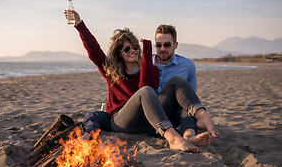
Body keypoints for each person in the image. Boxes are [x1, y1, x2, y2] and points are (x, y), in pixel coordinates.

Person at [66, 9, 216, 152]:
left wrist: (146, 53)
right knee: (144, 92)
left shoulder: (151, 69)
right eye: (126, 49)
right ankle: (173, 138)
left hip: (150, 123)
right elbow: (94, 50)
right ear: (119, 53)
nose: (132, 51)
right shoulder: (112, 72)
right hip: (123, 122)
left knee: (176, 80)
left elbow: (148, 85)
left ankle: (199, 119)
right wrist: (79, 24)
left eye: (135, 47)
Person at [153, 25, 219, 140]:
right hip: (153, 113)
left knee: (187, 107)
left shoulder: (188, 65)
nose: (162, 49)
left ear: (175, 45)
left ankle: (189, 137)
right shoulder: (145, 63)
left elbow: (190, 97)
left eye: (167, 45)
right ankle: (202, 117)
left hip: (174, 115)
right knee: (176, 80)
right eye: (158, 45)